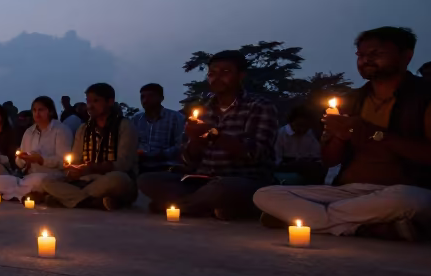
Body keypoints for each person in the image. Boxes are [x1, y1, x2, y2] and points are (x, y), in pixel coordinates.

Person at [254, 26, 431, 240]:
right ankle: (364, 227)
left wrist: (376, 134)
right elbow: (330, 161)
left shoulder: (423, 97)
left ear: (406, 56)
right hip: (347, 192)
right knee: (265, 194)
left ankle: (311, 220)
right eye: (361, 55)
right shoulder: (352, 101)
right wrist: (339, 136)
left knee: (411, 200)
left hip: (402, 189)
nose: (366, 60)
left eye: (376, 54)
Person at [139, 51, 278, 220]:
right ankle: (210, 207)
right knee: (148, 180)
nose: (216, 78)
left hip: (240, 179)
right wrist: (195, 141)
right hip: (201, 181)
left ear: (241, 76)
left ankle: (181, 206)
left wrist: (213, 134)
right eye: (212, 73)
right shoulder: (204, 110)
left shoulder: (259, 106)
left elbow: (257, 154)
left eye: (225, 72)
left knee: (223, 188)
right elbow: (187, 161)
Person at [42, 83, 137, 210]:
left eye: (96, 101)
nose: (90, 106)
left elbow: (123, 164)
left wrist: (90, 167)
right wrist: (72, 170)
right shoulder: (83, 129)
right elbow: (75, 160)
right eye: (88, 101)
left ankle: (70, 199)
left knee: (119, 179)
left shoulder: (125, 126)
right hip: (83, 180)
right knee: (47, 181)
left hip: (108, 179)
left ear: (110, 102)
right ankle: (93, 202)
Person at [0, 96, 74, 201]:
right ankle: (27, 195)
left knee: (40, 181)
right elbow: (20, 162)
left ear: (50, 111)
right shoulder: (29, 132)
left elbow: (63, 161)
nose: (37, 114)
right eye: (34, 110)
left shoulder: (61, 130)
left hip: (51, 176)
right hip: (28, 178)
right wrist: (22, 158)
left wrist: (41, 160)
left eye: (41, 110)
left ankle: (16, 194)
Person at [131, 83, 186, 174]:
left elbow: (181, 146)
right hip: (139, 166)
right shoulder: (136, 119)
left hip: (166, 167)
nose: (145, 100)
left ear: (161, 98)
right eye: (142, 97)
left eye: (150, 96)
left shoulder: (176, 118)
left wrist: (157, 155)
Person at [273, 106, 326, 185]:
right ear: (291, 122)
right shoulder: (281, 134)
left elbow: (316, 155)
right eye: (299, 125)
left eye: (306, 126)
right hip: (285, 168)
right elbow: (276, 160)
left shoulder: (309, 134)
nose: (302, 129)